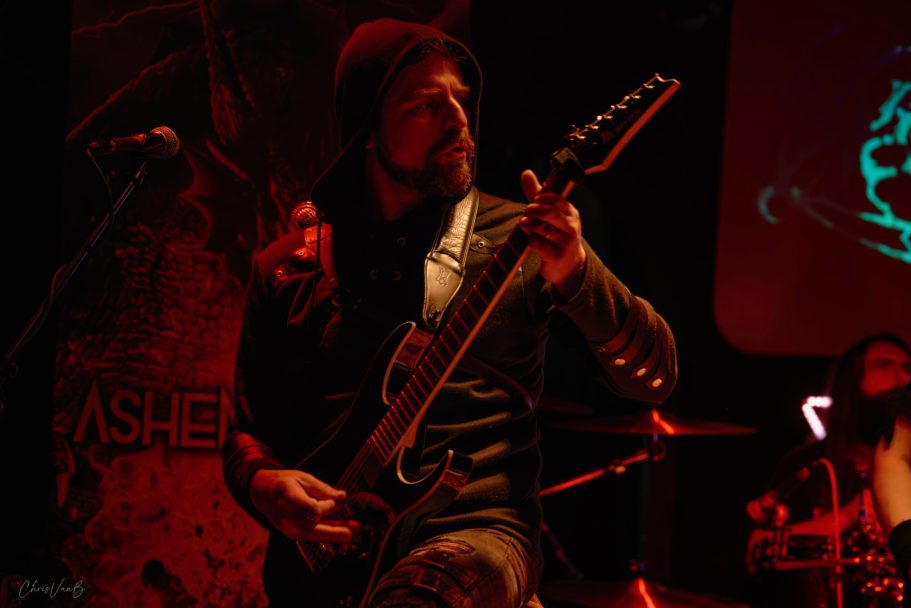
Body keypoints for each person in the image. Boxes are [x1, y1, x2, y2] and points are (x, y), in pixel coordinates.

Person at [221, 18, 677, 608]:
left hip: (480, 536)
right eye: (425, 104)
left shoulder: (523, 238)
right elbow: (249, 431)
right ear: (366, 129)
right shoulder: (289, 269)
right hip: (330, 566)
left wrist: (577, 270)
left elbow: (655, 377)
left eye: (461, 99)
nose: (458, 119)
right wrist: (263, 485)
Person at [746, 333, 911, 605]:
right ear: (852, 382)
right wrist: (849, 515)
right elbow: (757, 551)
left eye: (907, 368)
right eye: (884, 365)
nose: (901, 377)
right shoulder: (810, 465)